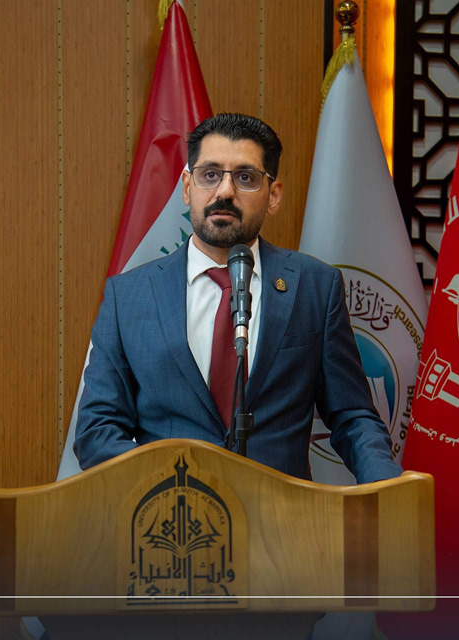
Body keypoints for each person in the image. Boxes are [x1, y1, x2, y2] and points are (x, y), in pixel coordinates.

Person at [74, 113, 401, 484]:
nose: (225, 192)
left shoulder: (315, 287)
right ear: (187, 187)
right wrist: (175, 482)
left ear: (273, 195)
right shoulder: (128, 296)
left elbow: (353, 416)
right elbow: (97, 431)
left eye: (245, 177)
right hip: (173, 511)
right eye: (210, 174)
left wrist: (387, 488)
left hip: (281, 515)